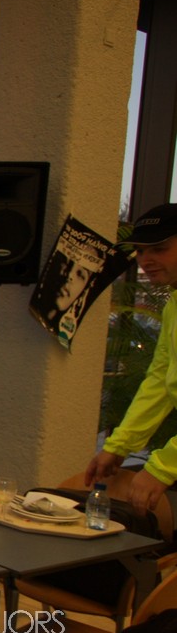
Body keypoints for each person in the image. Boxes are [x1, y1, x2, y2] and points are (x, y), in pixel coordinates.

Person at [86, 203, 177, 514]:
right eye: (140, 251)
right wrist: (118, 445)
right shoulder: (173, 304)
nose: (145, 260)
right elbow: (160, 380)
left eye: (159, 249)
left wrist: (163, 467)